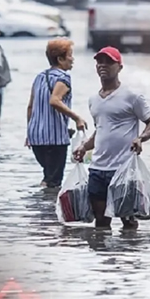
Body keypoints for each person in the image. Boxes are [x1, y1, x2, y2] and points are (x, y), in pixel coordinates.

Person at [73, 46, 150, 230]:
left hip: (123, 171)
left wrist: (140, 138)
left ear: (119, 67)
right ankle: (104, 257)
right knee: (101, 223)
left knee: (128, 222)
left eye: (109, 62)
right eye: (99, 62)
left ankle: (127, 257)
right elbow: (101, 131)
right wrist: (83, 147)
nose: (103, 65)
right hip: (97, 170)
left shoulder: (132, 97)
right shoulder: (93, 100)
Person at [26, 39, 88, 188]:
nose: (72, 59)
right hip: (54, 139)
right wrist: (77, 117)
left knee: (48, 175)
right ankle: (47, 208)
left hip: (36, 138)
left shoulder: (39, 77)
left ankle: (43, 206)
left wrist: (29, 133)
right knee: (52, 181)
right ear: (60, 59)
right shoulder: (63, 77)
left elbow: (30, 107)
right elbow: (55, 101)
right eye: (70, 55)